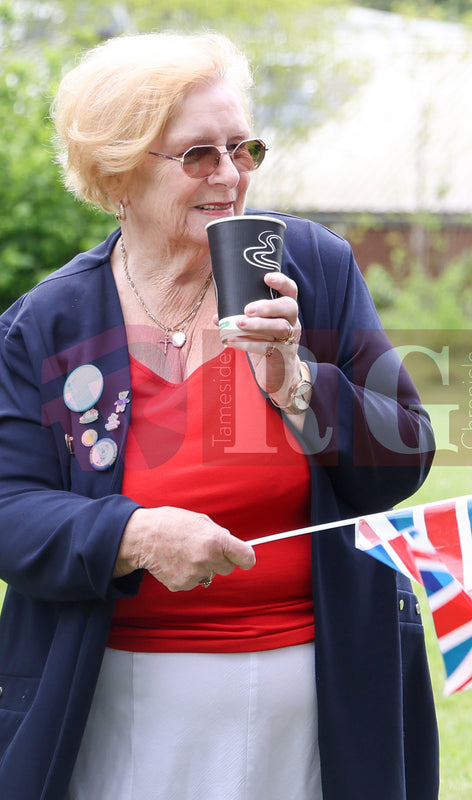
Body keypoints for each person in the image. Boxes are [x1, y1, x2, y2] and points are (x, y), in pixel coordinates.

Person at [0, 31, 439, 800]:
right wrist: (133, 536)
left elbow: (402, 459)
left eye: (244, 148)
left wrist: (295, 380)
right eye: (197, 155)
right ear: (117, 172)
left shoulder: (311, 269)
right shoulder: (49, 324)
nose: (230, 175)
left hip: (318, 695)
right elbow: (10, 509)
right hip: (114, 703)